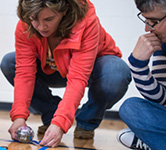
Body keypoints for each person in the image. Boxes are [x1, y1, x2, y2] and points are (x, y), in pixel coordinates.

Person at [0, 0, 131, 148]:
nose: (41, 27)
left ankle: (86, 123)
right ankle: (51, 115)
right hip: (53, 67)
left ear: (65, 10)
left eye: (48, 19)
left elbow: (78, 78)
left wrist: (61, 123)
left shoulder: (87, 21)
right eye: (34, 19)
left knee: (116, 73)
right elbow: (24, 73)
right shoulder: (26, 23)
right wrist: (18, 117)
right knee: (9, 62)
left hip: (92, 70)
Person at [117, 0, 166, 150]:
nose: (147, 28)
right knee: (130, 108)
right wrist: (138, 65)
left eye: (153, 21)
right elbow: (162, 99)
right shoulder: (162, 44)